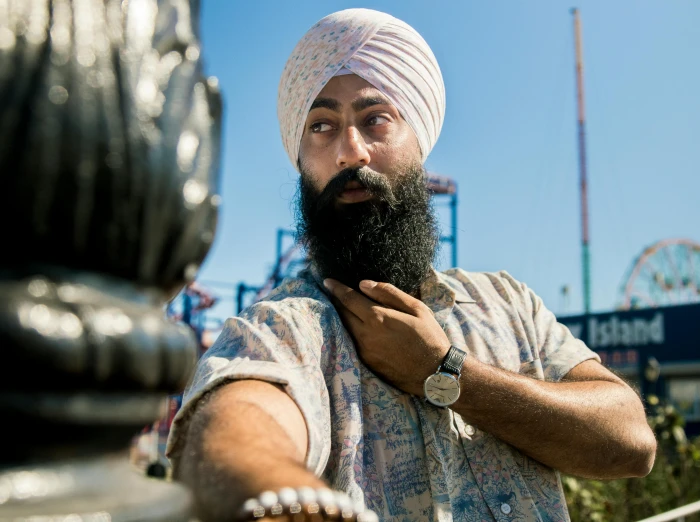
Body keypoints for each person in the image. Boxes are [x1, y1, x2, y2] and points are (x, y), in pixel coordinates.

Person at [167, 8, 656, 522]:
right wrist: (279, 493)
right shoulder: (286, 325)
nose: (349, 152)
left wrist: (444, 371)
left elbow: (631, 441)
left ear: (419, 140)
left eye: (375, 119)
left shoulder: (506, 302)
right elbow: (233, 430)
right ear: (301, 158)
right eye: (321, 126)